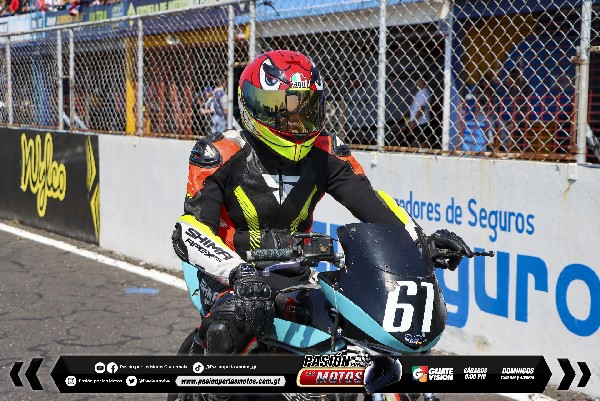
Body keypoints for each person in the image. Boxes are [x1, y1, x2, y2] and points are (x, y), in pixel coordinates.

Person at [171, 50, 473, 360]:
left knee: (347, 329)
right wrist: (238, 273)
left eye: (305, 107)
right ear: (253, 105)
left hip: (293, 271)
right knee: (232, 324)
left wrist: (420, 242)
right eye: (281, 108)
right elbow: (190, 230)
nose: (295, 119)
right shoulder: (219, 152)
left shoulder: (327, 151)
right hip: (225, 272)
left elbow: (373, 206)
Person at [408, 77, 432, 148]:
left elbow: (422, 108)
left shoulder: (424, 92)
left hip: (421, 122)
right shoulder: (419, 92)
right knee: (418, 141)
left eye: (418, 81)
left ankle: (424, 152)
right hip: (418, 122)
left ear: (423, 81)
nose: (416, 82)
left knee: (421, 142)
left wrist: (414, 121)